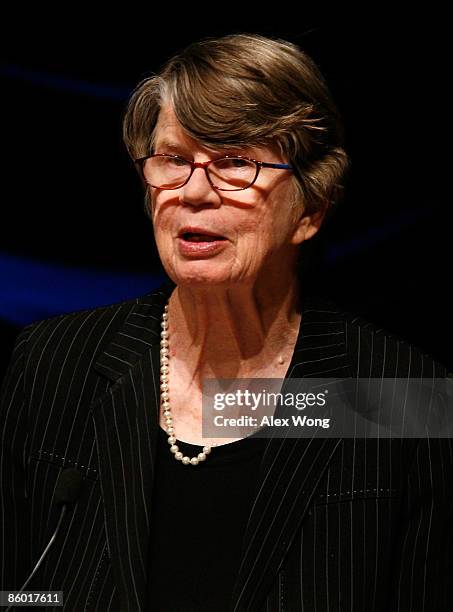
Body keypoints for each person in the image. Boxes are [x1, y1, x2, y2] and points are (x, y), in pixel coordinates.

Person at [1, 33, 452, 612]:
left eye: (236, 162)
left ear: (310, 209)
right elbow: (20, 588)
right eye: (173, 159)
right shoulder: (54, 364)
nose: (193, 191)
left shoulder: (397, 398)